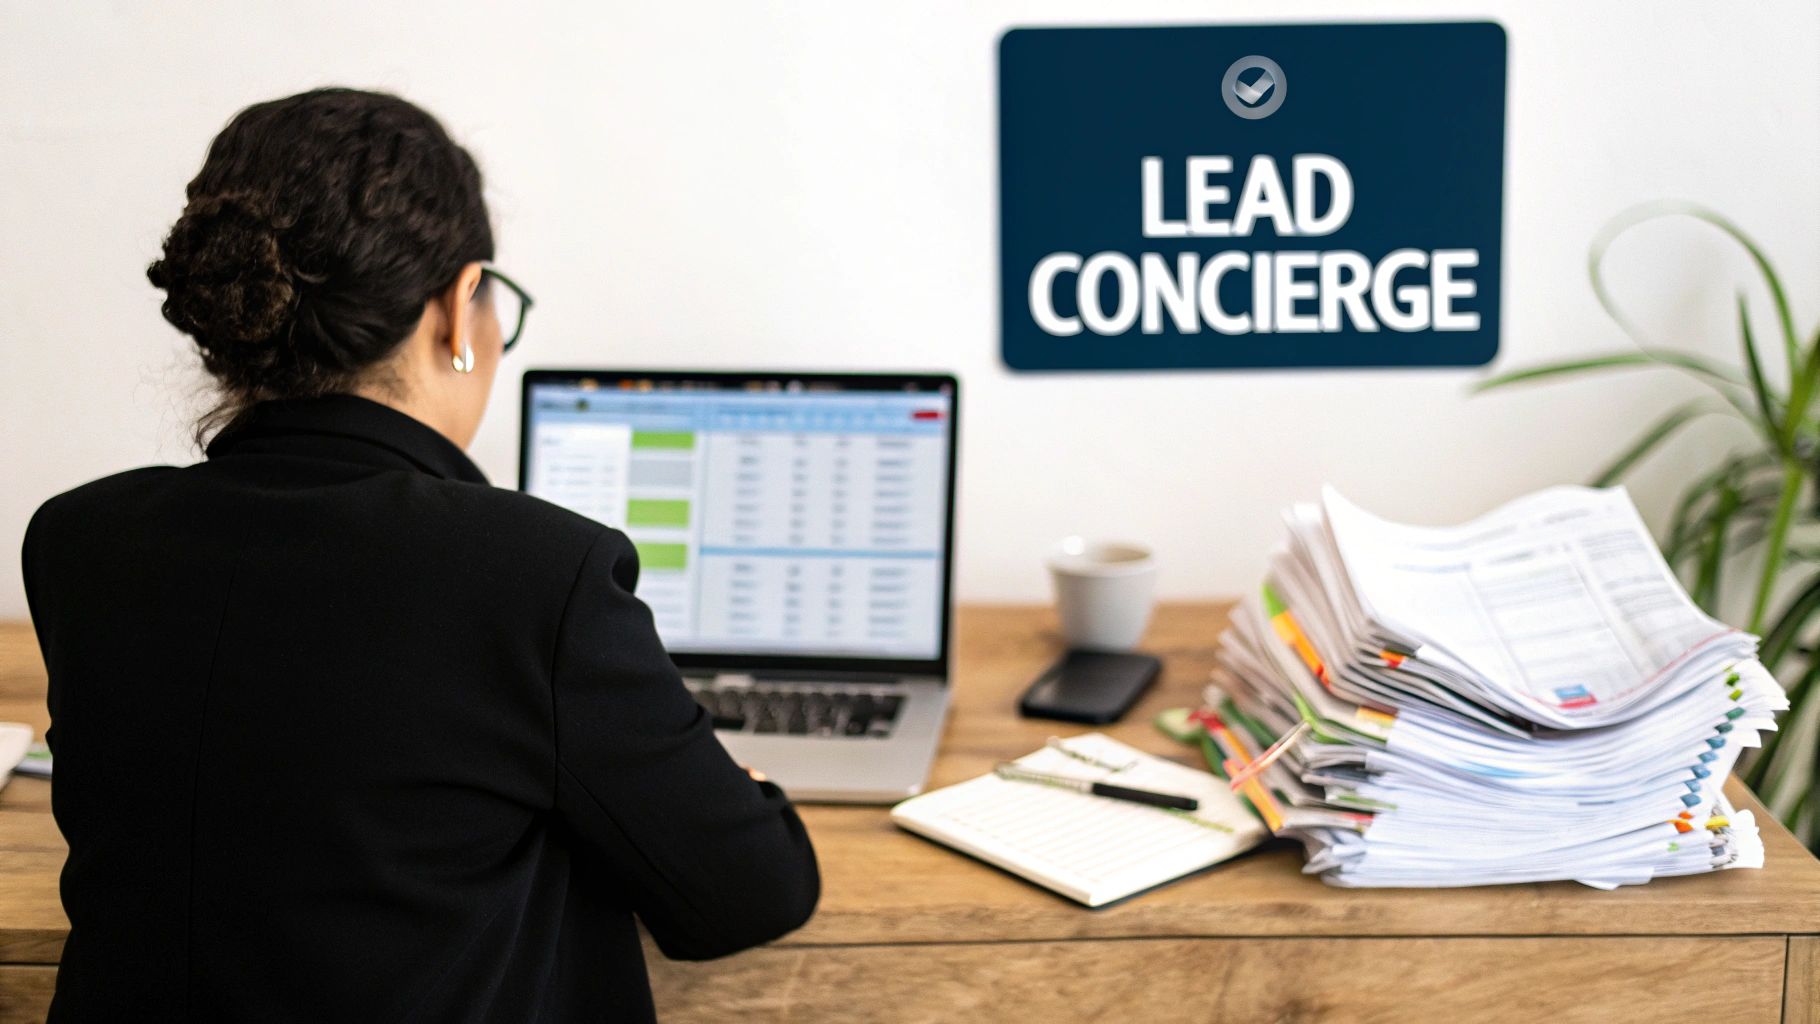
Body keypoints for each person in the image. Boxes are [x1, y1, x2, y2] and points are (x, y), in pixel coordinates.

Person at [19, 87, 819, 1022]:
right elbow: (748, 892)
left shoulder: (80, 542)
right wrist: (741, 797)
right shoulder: (535, 576)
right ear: (459, 307)